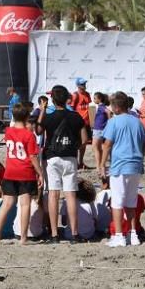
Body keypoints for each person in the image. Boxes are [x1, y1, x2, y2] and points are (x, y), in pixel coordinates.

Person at [99, 92, 145, 247]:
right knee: (131, 202)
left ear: (116, 106)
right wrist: (140, 154)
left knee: (117, 202)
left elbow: (107, 144)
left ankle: (119, 235)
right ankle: (133, 234)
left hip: (120, 165)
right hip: (135, 165)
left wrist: (101, 164)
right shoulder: (137, 121)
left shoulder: (114, 122)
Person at [38, 85, 88, 244]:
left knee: (53, 194)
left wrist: (42, 110)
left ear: (52, 99)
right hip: (70, 157)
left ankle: (54, 234)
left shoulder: (48, 117)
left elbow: (39, 131)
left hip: (52, 157)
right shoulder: (76, 116)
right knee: (71, 195)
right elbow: (85, 139)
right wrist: (75, 147)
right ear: (67, 98)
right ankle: (74, 233)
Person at [0, 104, 45, 244]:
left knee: (7, 204)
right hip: (25, 172)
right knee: (25, 204)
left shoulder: (8, 131)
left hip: (10, 171)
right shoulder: (29, 135)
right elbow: (33, 157)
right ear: (27, 117)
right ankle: (23, 237)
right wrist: (40, 173)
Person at [70, 78, 93, 168]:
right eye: (82, 84)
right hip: (77, 123)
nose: (84, 85)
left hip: (86, 123)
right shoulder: (75, 95)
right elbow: (71, 109)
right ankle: (75, 162)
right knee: (76, 143)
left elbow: (90, 108)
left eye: (84, 83)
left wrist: (92, 121)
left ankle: (81, 162)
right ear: (78, 85)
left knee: (84, 143)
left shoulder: (87, 94)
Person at [91, 92, 110, 171]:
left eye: (95, 98)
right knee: (99, 148)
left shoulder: (102, 106)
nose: (93, 100)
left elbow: (108, 112)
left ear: (99, 99)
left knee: (95, 147)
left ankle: (99, 166)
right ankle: (101, 165)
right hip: (99, 129)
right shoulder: (100, 106)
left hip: (98, 129)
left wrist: (109, 121)